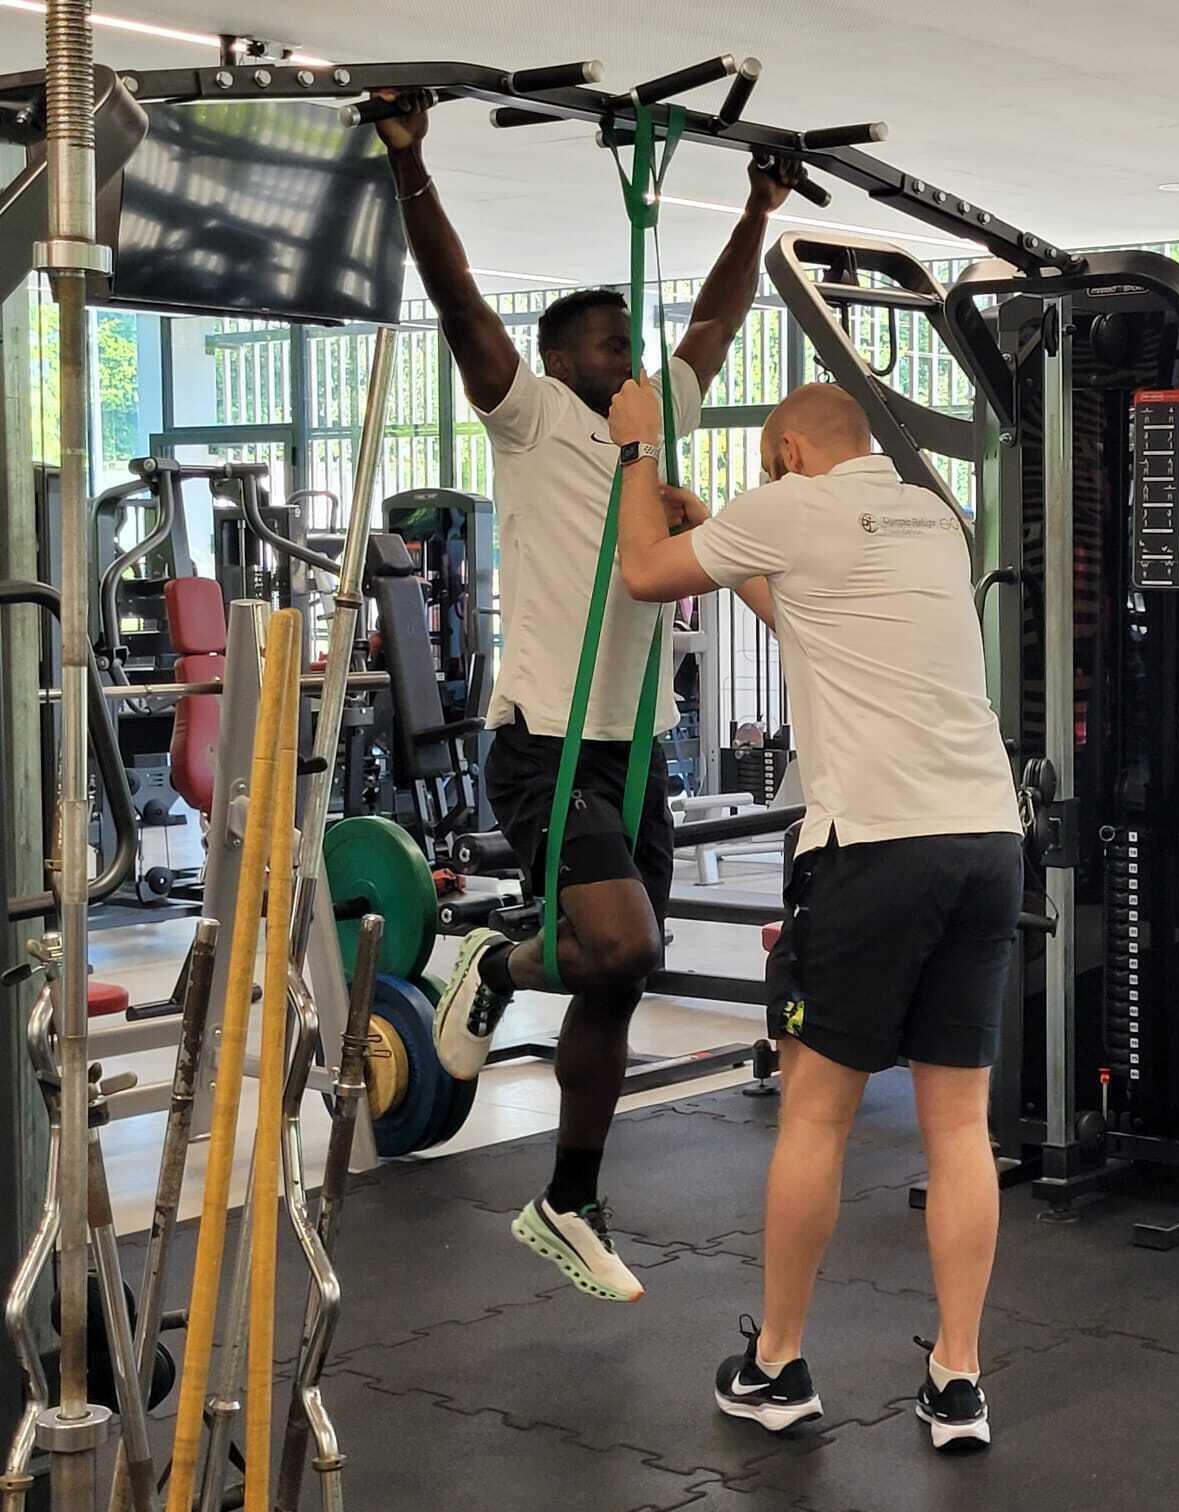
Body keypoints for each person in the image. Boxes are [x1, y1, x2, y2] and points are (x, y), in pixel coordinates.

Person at [374, 93, 799, 1304]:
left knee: (621, 975)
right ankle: (498, 967)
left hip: (634, 748)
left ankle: (567, 1196)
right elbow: (457, 300)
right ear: (562, 360)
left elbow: (716, 320)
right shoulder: (531, 417)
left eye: (629, 345)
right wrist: (413, 163)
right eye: (611, 344)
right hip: (543, 744)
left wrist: (759, 210)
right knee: (622, 941)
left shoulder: (645, 430)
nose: (630, 359)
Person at [605, 379, 1022, 1451]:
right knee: (960, 1128)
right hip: (985, 838)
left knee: (816, 1117)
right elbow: (817, 616)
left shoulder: (789, 504)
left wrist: (638, 453)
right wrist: (731, 542)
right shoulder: (935, 514)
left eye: (767, 466)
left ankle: (778, 1364)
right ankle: (959, 1380)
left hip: (873, 847)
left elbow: (648, 571)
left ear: (789, 450)